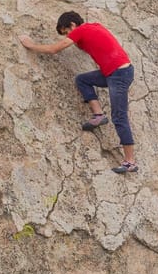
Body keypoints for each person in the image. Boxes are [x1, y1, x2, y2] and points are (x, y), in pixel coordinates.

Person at [18, 11, 138, 173]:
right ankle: (99, 115)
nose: (68, 37)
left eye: (67, 32)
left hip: (119, 74)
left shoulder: (81, 30)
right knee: (82, 80)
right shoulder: (93, 27)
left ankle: (130, 162)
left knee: (119, 116)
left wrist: (31, 45)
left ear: (73, 25)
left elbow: (54, 49)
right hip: (112, 73)